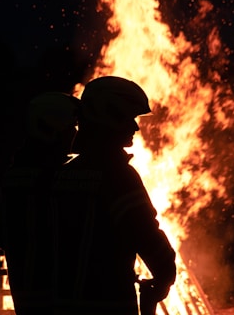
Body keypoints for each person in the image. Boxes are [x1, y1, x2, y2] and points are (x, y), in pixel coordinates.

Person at [46, 76, 177, 315]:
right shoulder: (118, 177)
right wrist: (165, 274)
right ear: (110, 117)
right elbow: (146, 234)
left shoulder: (60, 177)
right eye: (130, 118)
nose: (135, 127)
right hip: (109, 306)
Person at [0, 91, 80, 315]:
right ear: (49, 130)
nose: (75, 134)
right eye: (70, 128)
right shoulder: (49, 179)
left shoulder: (18, 173)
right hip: (48, 296)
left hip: (30, 294)